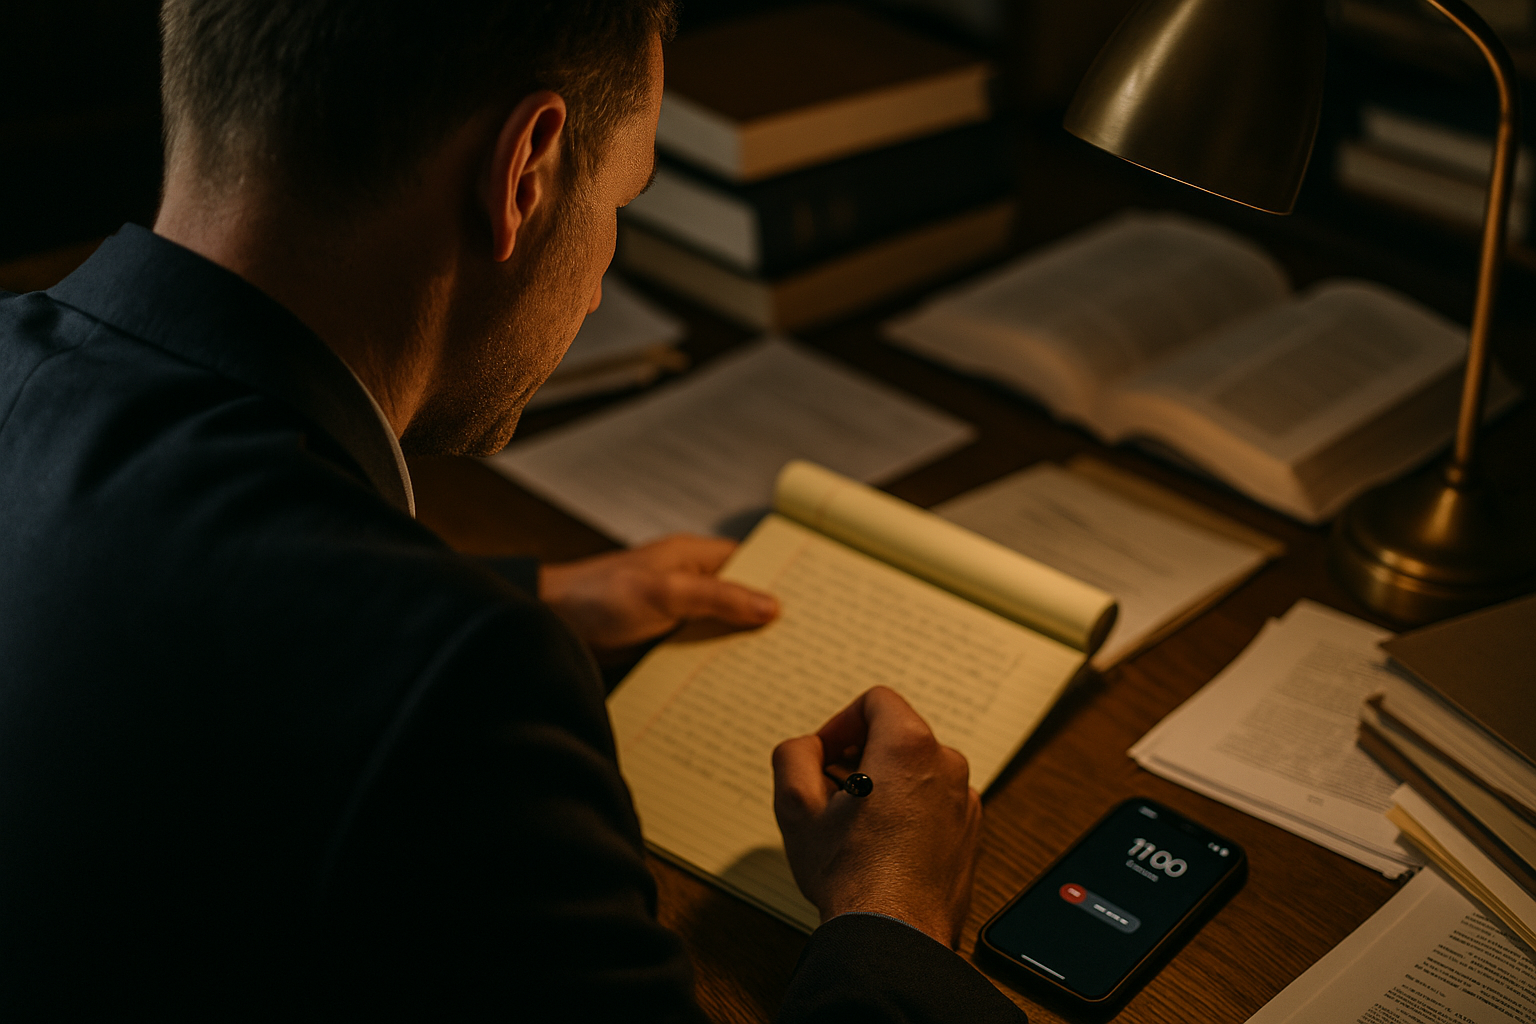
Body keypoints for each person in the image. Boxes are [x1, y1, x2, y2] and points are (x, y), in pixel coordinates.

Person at [0, 2, 1029, 1020]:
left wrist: (546, 596)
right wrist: (893, 913)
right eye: (625, 199)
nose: (593, 290)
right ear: (526, 170)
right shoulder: (459, 691)